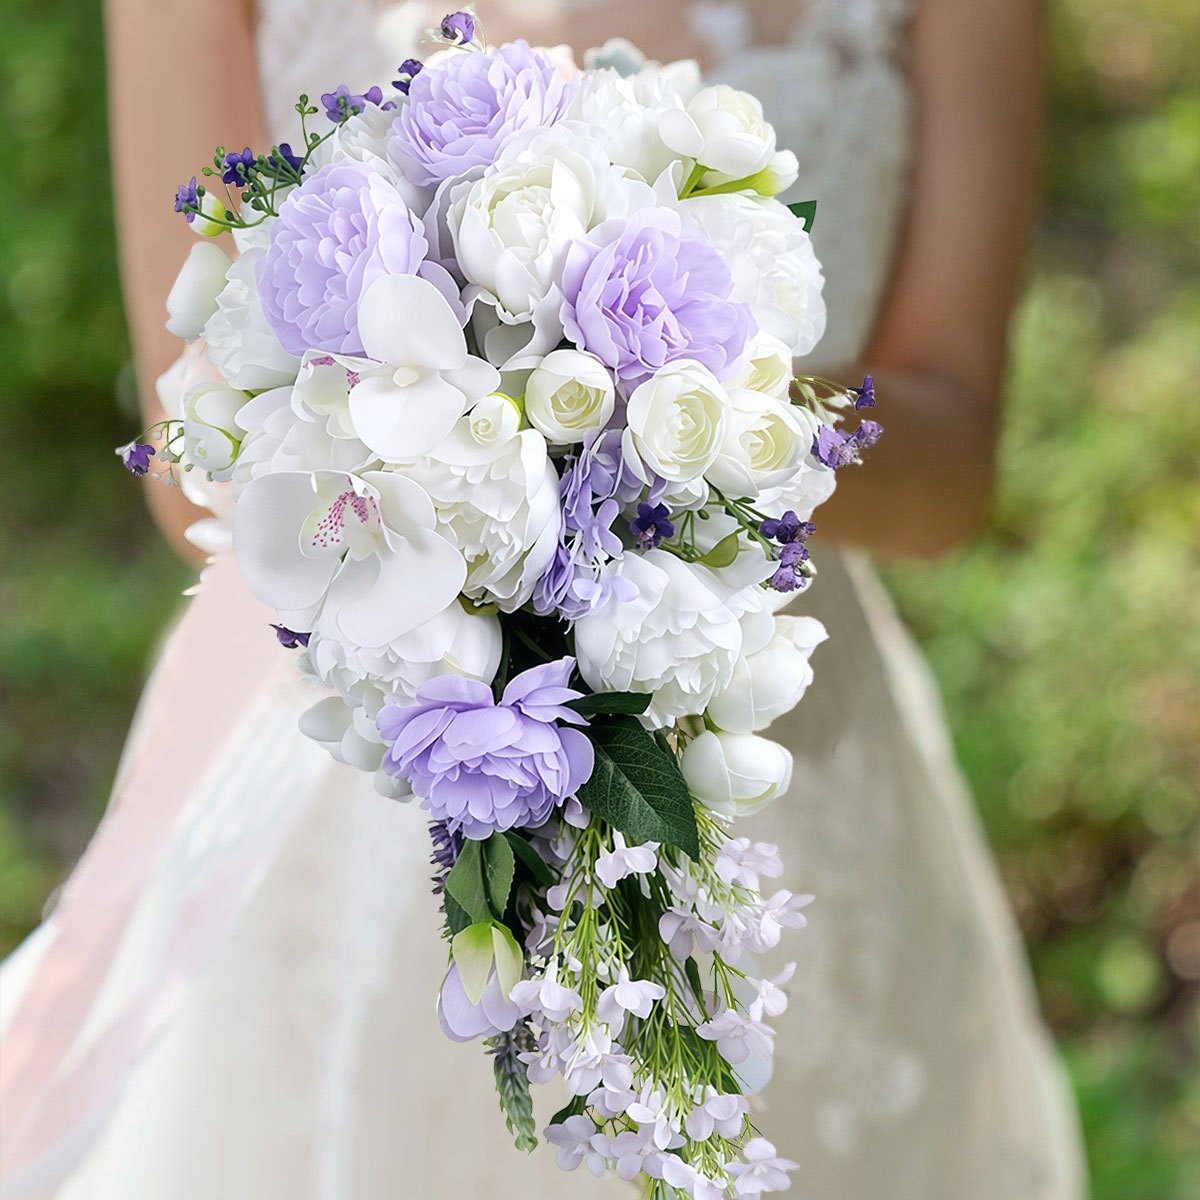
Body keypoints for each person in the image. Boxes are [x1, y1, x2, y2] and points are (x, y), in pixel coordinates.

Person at [0, 2, 1087, 1197]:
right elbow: (190, 448)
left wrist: (664, 418)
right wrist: (463, 410)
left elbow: (952, 458)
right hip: (363, 744)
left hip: (756, 745)